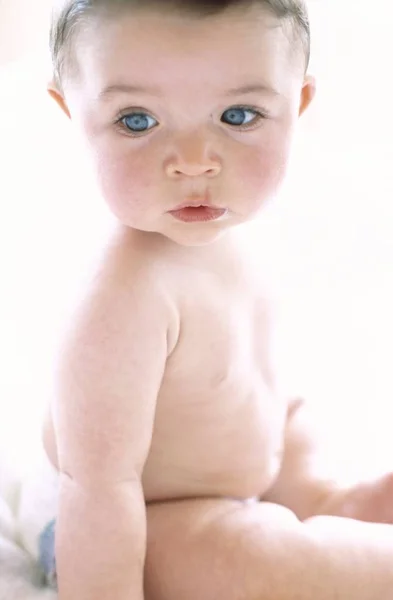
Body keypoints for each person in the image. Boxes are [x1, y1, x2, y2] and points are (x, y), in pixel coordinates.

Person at [38, 1, 393, 598]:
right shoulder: (120, 298)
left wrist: (301, 471)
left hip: (250, 467)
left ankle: (335, 502)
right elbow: (97, 488)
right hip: (143, 524)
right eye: (137, 121)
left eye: (238, 114)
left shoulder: (234, 226)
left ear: (297, 105)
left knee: (304, 433)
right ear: (72, 111)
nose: (195, 161)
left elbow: (246, 371)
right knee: (257, 561)